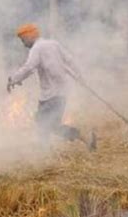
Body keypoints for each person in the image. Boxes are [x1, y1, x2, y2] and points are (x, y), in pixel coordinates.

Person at [7, 23, 96, 151]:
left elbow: (29, 67)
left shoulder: (37, 48)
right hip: (55, 94)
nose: (23, 44)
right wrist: (80, 77)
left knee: (47, 125)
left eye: (23, 40)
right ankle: (44, 152)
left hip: (52, 95)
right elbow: (70, 60)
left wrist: (13, 79)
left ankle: (83, 138)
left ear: (29, 36)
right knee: (43, 123)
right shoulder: (54, 44)